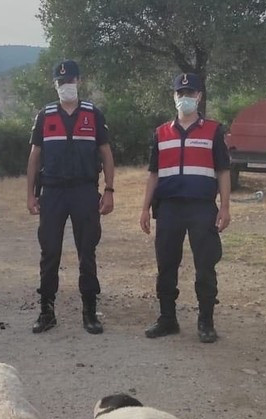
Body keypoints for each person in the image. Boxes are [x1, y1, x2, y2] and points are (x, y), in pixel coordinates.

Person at [139, 72, 232, 343]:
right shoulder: (160, 133)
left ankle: (206, 322)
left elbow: (223, 171)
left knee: (205, 266)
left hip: (202, 208)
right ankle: (167, 319)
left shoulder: (214, 130)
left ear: (199, 96)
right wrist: (145, 208)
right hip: (168, 209)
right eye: (181, 93)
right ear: (174, 96)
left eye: (190, 93)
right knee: (166, 265)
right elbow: (153, 174)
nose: (185, 98)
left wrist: (224, 207)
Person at [25, 59, 116, 334]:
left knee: (87, 251)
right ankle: (46, 311)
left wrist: (109, 190)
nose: (66, 86)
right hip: (52, 192)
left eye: (71, 81)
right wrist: (30, 194)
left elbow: (107, 154)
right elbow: (34, 157)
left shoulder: (93, 113)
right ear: (55, 85)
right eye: (61, 82)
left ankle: (90, 311)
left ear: (79, 81)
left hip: (84, 191)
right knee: (49, 251)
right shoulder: (45, 115)